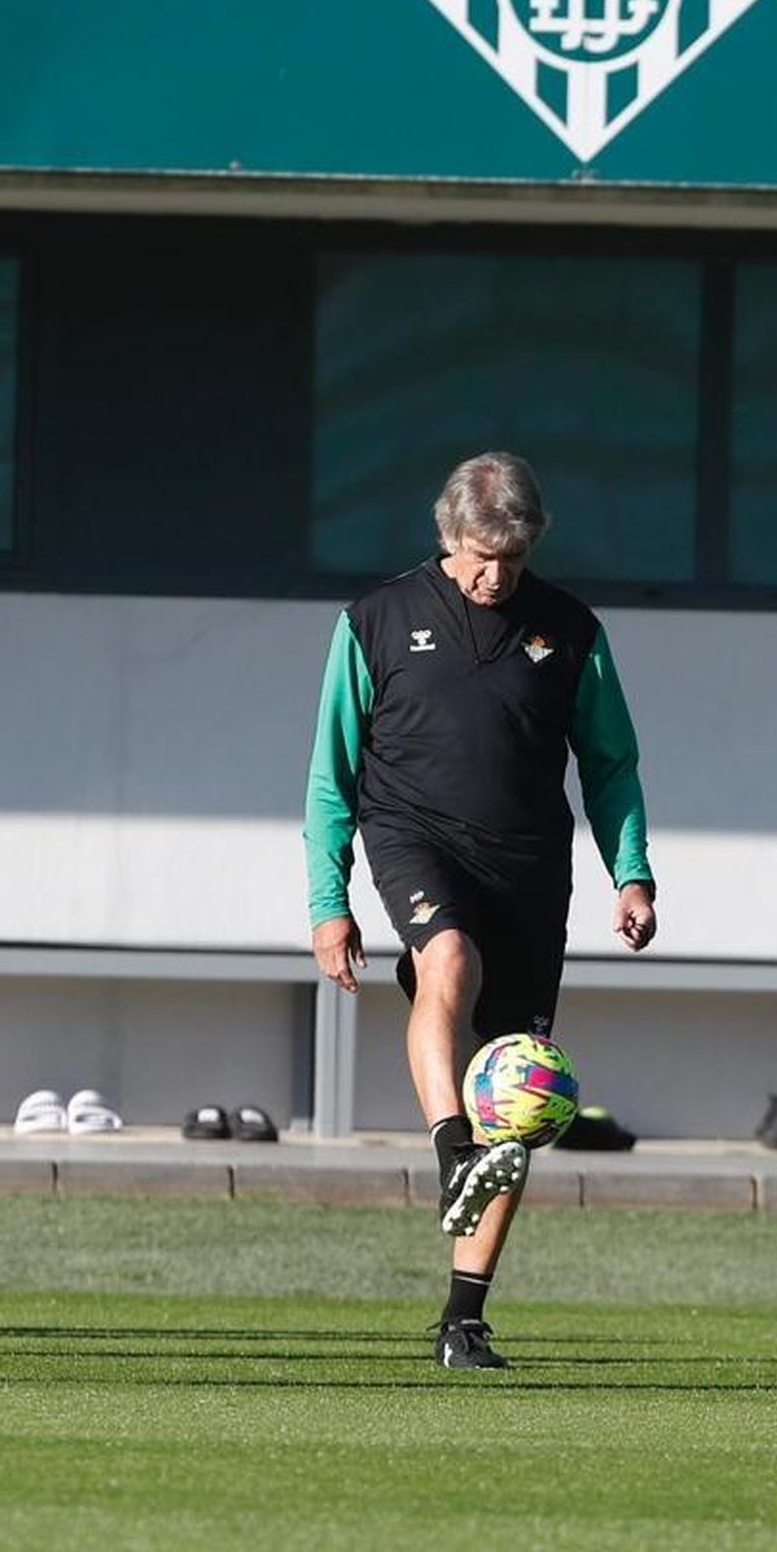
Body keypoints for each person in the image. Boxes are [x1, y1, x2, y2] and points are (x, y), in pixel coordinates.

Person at [305, 452, 658, 1370]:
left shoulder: (571, 631)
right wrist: (327, 902)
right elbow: (330, 776)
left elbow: (611, 765)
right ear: (446, 537)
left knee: (520, 1086)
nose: (491, 575)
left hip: (532, 870)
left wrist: (632, 873)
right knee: (446, 959)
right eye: (475, 556)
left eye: (509, 556)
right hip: (415, 837)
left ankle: (464, 1320)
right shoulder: (375, 620)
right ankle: (450, 1149)